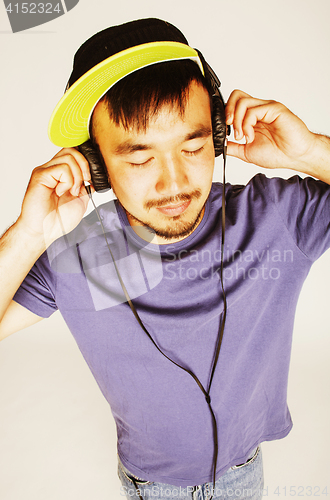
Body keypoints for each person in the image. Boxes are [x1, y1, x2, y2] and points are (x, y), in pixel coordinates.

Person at [1, 17, 330, 500]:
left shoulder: (275, 217)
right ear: (97, 167)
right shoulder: (83, 255)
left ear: (217, 137)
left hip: (244, 472)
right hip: (149, 484)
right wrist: (29, 234)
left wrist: (308, 154)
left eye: (193, 146)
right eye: (138, 160)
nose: (173, 182)